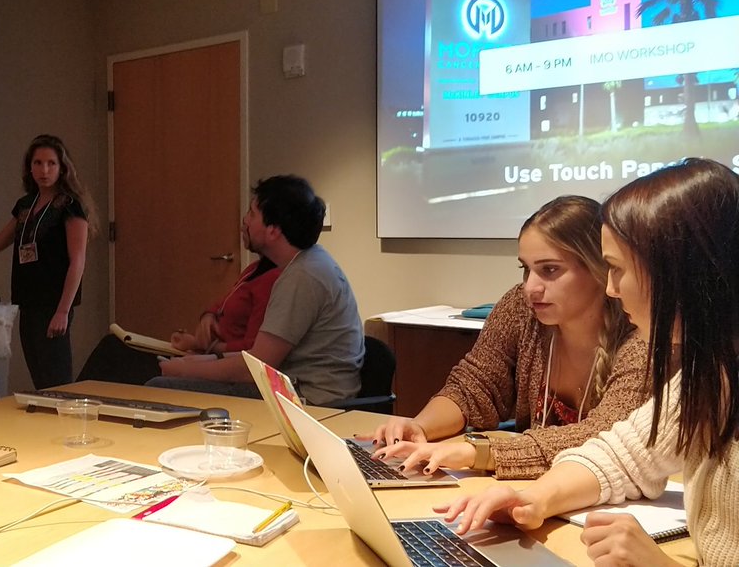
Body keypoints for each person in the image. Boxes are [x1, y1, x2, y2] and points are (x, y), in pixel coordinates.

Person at [437, 158, 739, 566]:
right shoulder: (714, 374)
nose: (611, 289)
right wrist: (532, 498)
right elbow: (621, 454)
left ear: (679, 274)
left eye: (617, 270)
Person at [367, 196, 648, 479]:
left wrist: (478, 453)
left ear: (599, 270)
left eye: (550, 270)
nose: (531, 287)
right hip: (534, 487)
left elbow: (606, 436)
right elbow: (475, 384)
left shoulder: (641, 332)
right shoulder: (521, 307)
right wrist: (420, 427)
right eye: (526, 269)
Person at [146, 175, 364, 405]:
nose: (245, 221)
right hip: (294, 387)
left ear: (273, 230)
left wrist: (185, 371)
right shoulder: (309, 264)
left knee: (160, 387)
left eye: (252, 214)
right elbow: (259, 358)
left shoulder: (302, 277)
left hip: (308, 400)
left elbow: (255, 368)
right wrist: (202, 361)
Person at [0, 134, 95, 390]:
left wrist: (63, 311)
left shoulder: (69, 206)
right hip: (28, 301)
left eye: (51, 164)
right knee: (40, 376)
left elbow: (78, 261)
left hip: (54, 304)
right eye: (38, 163)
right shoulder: (25, 205)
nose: (44, 170)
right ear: (29, 167)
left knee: (56, 379)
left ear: (62, 167)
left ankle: (63, 423)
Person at [76, 254, 282, 384]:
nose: (244, 223)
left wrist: (208, 347)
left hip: (214, 360)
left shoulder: (273, 280)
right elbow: (221, 304)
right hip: (203, 351)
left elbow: (251, 348)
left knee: (116, 358)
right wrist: (208, 316)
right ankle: (67, 403)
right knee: (112, 345)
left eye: (252, 215)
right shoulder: (253, 269)